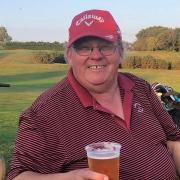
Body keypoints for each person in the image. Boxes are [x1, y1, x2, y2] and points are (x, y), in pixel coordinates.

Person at [7, 9, 180, 180]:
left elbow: (173, 142)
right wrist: (70, 178)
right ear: (69, 55)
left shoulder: (140, 88)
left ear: (120, 52)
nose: (96, 55)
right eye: (84, 48)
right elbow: (18, 175)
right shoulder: (45, 112)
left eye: (106, 47)